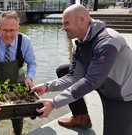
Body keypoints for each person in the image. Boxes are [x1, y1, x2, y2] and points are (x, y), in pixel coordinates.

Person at [32, 4, 132, 135]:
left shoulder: (107, 42)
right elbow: (73, 77)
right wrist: (47, 86)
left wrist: (54, 102)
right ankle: (81, 118)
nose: (63, 28)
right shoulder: (79, 43)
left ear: (81, 20)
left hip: (121, 95)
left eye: (66, 23)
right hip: (103, 83)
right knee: (64, 70)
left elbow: (91, 81)